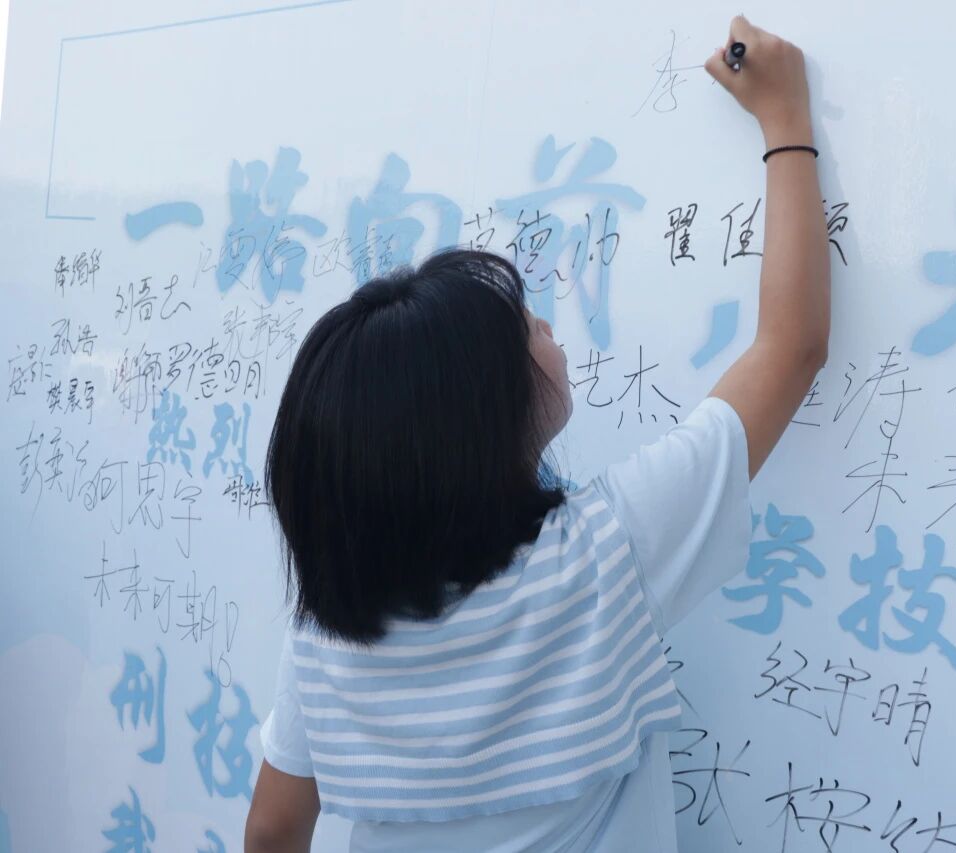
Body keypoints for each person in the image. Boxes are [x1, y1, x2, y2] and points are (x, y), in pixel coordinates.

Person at [245, 13, 830, 852]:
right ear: (478, 426)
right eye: (523, 330)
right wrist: (786, 119)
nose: (548, 325)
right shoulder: (603, 554)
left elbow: (272, 828)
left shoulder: (331, 627)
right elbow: (791, 347)